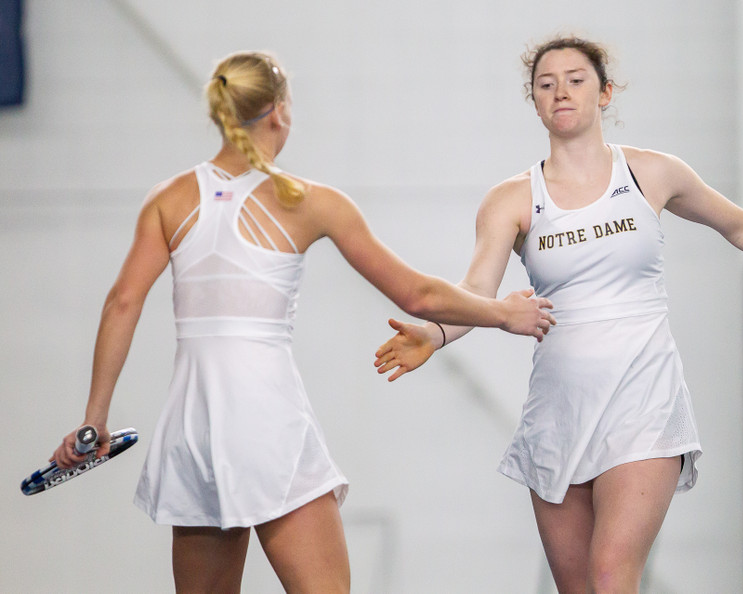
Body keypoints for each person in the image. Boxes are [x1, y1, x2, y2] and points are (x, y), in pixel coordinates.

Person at [373, 36, 743, 592]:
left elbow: (739, 226)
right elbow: (476, 293)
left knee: (613, 575)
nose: (561, 90)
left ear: (605, 93)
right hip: (558, 411)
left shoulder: (652, 173)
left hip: (644, 400)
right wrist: (435, 334)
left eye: (576, 79)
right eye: (546, 83)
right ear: (535, 102)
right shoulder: (511, 199)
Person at [50, 50, 555, 593]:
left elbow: (121, 303)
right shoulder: (309, 201)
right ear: (278, 111)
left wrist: (93, 420)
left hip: (191, 426)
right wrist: (503, 312)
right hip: (265, 423)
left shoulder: (169, 199)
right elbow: (419, 294)